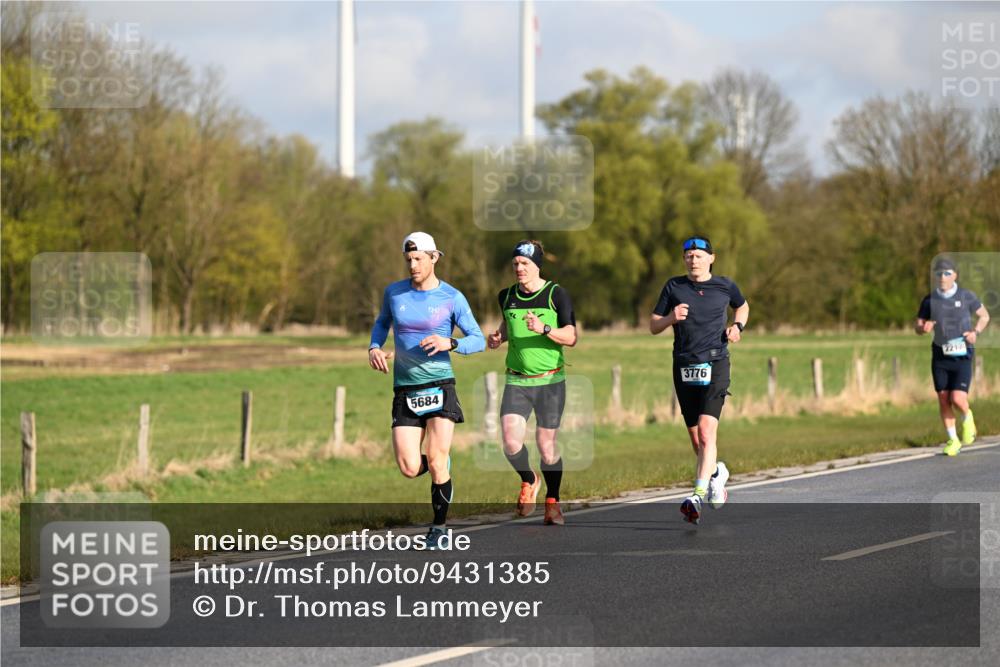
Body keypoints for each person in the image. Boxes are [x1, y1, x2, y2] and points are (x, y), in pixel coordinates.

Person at [368, 232, 486, 547]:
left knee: (435, 457)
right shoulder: (394, 293)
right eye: (408, 259)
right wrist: (374, 347)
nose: (413, 265)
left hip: (440, 384)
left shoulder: (452, 297)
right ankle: (440, 468)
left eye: (418, 258)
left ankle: (439, 528)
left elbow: (479, 339)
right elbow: (382, 323)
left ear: (434, 257)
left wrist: (451, 342)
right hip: (405, 388)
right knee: (408, 467)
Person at [650, 236, 749, 525]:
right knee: (697, 439)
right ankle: (717, 473)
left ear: (711, 258)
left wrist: (737, 326)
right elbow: (653, 325)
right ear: (684, 259)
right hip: (684, 364)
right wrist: (671, 317)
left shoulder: (725, 286)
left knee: (707, 432)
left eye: (699, 255)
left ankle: (696, 495)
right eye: (689, 256)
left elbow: (742, 306)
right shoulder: (674, 287)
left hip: (716, 362)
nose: (693, 260)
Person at [488, 240, 577, 525]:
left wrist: (544, 329)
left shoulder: (556, 294)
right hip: (517, 381)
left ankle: (553, 501)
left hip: (550, 381)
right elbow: (506, 326)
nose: (519, 269)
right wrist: (498, 337)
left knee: (546, 446)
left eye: (525, 263)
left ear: (537, 265)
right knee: (511, 442)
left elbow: (571, 337)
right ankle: (529, 480)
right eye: (515, 264)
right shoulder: (506, 296)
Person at [915, 257, 990, 456]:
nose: (942, 277)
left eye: (947, 273)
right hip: (940, 356)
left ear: (955, 275)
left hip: (962, 354)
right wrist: (924, 328)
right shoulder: (929, 300)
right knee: (943, 399)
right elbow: (918, 326)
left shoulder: (966, 296)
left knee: (957, 399)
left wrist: (976, 332)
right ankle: (953, 440)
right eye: (939, 273)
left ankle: (967, 418)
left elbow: (985, 316)